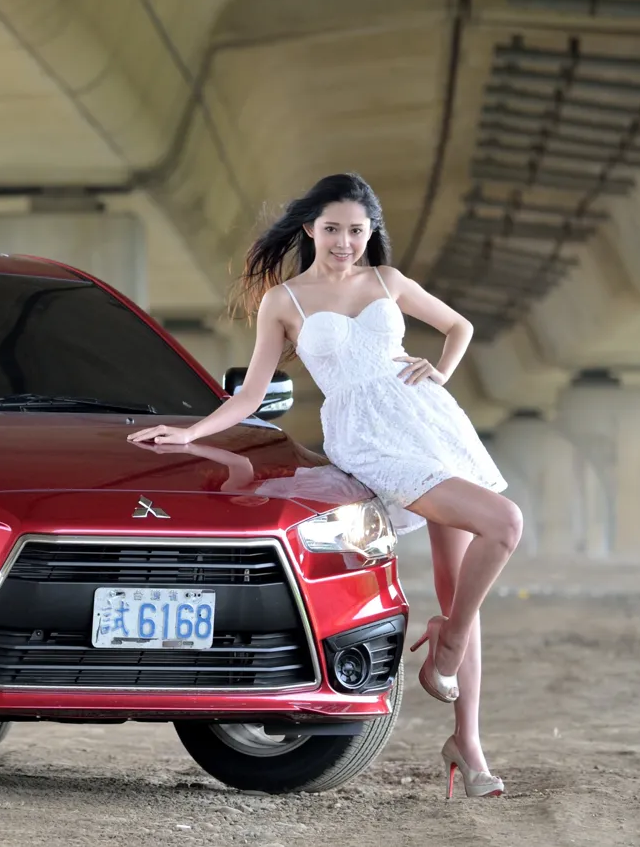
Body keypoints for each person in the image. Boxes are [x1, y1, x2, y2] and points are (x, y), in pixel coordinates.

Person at [127, 173, 520, 799]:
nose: (345, 242)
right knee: (506, 522)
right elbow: (252, 394)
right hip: (367, 435)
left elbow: (459, 328)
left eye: (358, 231)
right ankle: (444, 647)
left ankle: (467, 743)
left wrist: (438, 371)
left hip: (429, 421)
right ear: (310, 227)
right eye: (333, 229)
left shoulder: (387, 281)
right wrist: (189, 432)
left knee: (458, 582)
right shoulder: (284, 301)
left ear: (371, 233)